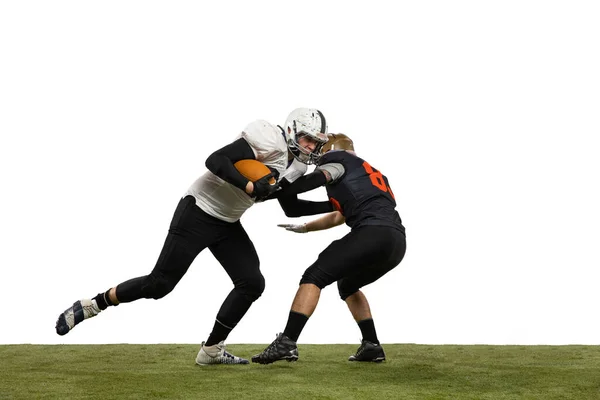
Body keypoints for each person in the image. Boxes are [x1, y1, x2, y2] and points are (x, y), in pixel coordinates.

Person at [54, 108, 330, 365]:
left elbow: (290, 206)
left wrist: (337, 206)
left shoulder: (297, 168)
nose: (310, 147)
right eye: (307, 140)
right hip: (198, 210)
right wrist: (247, 184)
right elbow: (216, 160)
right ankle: (94, 304)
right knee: (159, 285)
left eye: (315, 144)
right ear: (293, 131)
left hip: (228, 222)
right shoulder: (269, 138)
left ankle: (211, 350)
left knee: (251, 283)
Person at [251, 133, 406, 364]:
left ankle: (287, 342)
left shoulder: (338, 163)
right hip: (396, 241)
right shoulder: (368, 171)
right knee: (348, 284)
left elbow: (312, 181)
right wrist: (305, 228)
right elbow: (340, 216)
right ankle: (372, 345)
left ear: (330, 149)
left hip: (371, 232)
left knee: (314, 276)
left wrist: (280, 184)